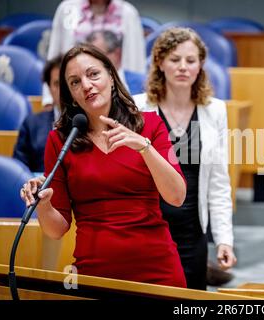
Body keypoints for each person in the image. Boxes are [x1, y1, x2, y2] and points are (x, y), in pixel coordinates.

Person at [21, 44, 187, 287]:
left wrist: (145, 148)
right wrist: (43, 205)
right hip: (94, 271)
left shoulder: (150, 125)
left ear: (111, 76)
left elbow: (177, 196)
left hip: (157, 268)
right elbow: (56, 230)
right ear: (70, 94)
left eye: (93, 74)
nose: (86, 85)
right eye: (75, 82)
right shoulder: (60, 140)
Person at [134, 27, 237, 290]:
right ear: (159, 62)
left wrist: (224, 239)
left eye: (190, 60)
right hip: (149, 229)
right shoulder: (138, 108)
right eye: (174, 59)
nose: (183, 67)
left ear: (201, 64)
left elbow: (218, 183)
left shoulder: (214, 110)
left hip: (193, 231)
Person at [47, 0, 145, 73]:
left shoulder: (128, 13)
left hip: (118, 88)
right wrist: (49, 98)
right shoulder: (67, 9)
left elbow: (136, 63)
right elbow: (54, 57)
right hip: (74, 85)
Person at [13, 55, 62, 173]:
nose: (63, 89)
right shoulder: (31, 124)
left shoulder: (90, 121)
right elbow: (20, 171)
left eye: (69, 82)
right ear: (49, 88)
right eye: (57, 84)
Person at [86, 30, 145, 95]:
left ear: (117, 53)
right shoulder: (88, 88)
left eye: (99, 56)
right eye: (90, 57)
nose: (93, 62)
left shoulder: (142, 83)